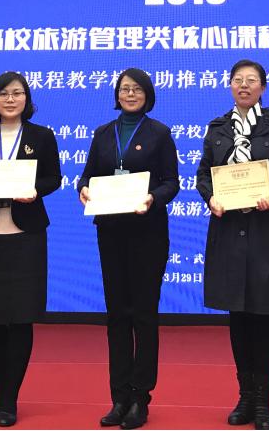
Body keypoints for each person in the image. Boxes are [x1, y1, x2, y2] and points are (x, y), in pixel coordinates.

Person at [196, 60, 269, 431]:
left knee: (264, 316)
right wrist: (211, 197)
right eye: (237, 80)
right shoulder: (217, 128)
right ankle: (244, 396)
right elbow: (203, 175)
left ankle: (263, 401)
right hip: (228, 230)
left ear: (263, 87)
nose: (244, 86)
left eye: (251, 80)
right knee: (238, 317)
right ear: (230, 85)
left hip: (266, 230)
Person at [77, 68, 180, 430]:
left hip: (147, 233)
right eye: (125, 89)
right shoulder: (103, 133)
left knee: (144, 315)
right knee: (117, 315)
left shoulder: (159, 133)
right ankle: (119, 397)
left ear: (147, 94)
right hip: (111, 232)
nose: (130, 94)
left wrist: (152, 198)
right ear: (116, 94)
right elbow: (87, 174)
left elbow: (172, 182)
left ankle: (140, 397)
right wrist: (83, 188)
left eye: (137, 89)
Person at [0, 72, 62, 427]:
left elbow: (53, 178)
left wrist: (35, 191)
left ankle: (9, 400)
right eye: (3, 93)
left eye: (17, 93)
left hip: (26, 234)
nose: (10, 99)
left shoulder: (41, 136)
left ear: (26, 99)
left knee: (19, 318)